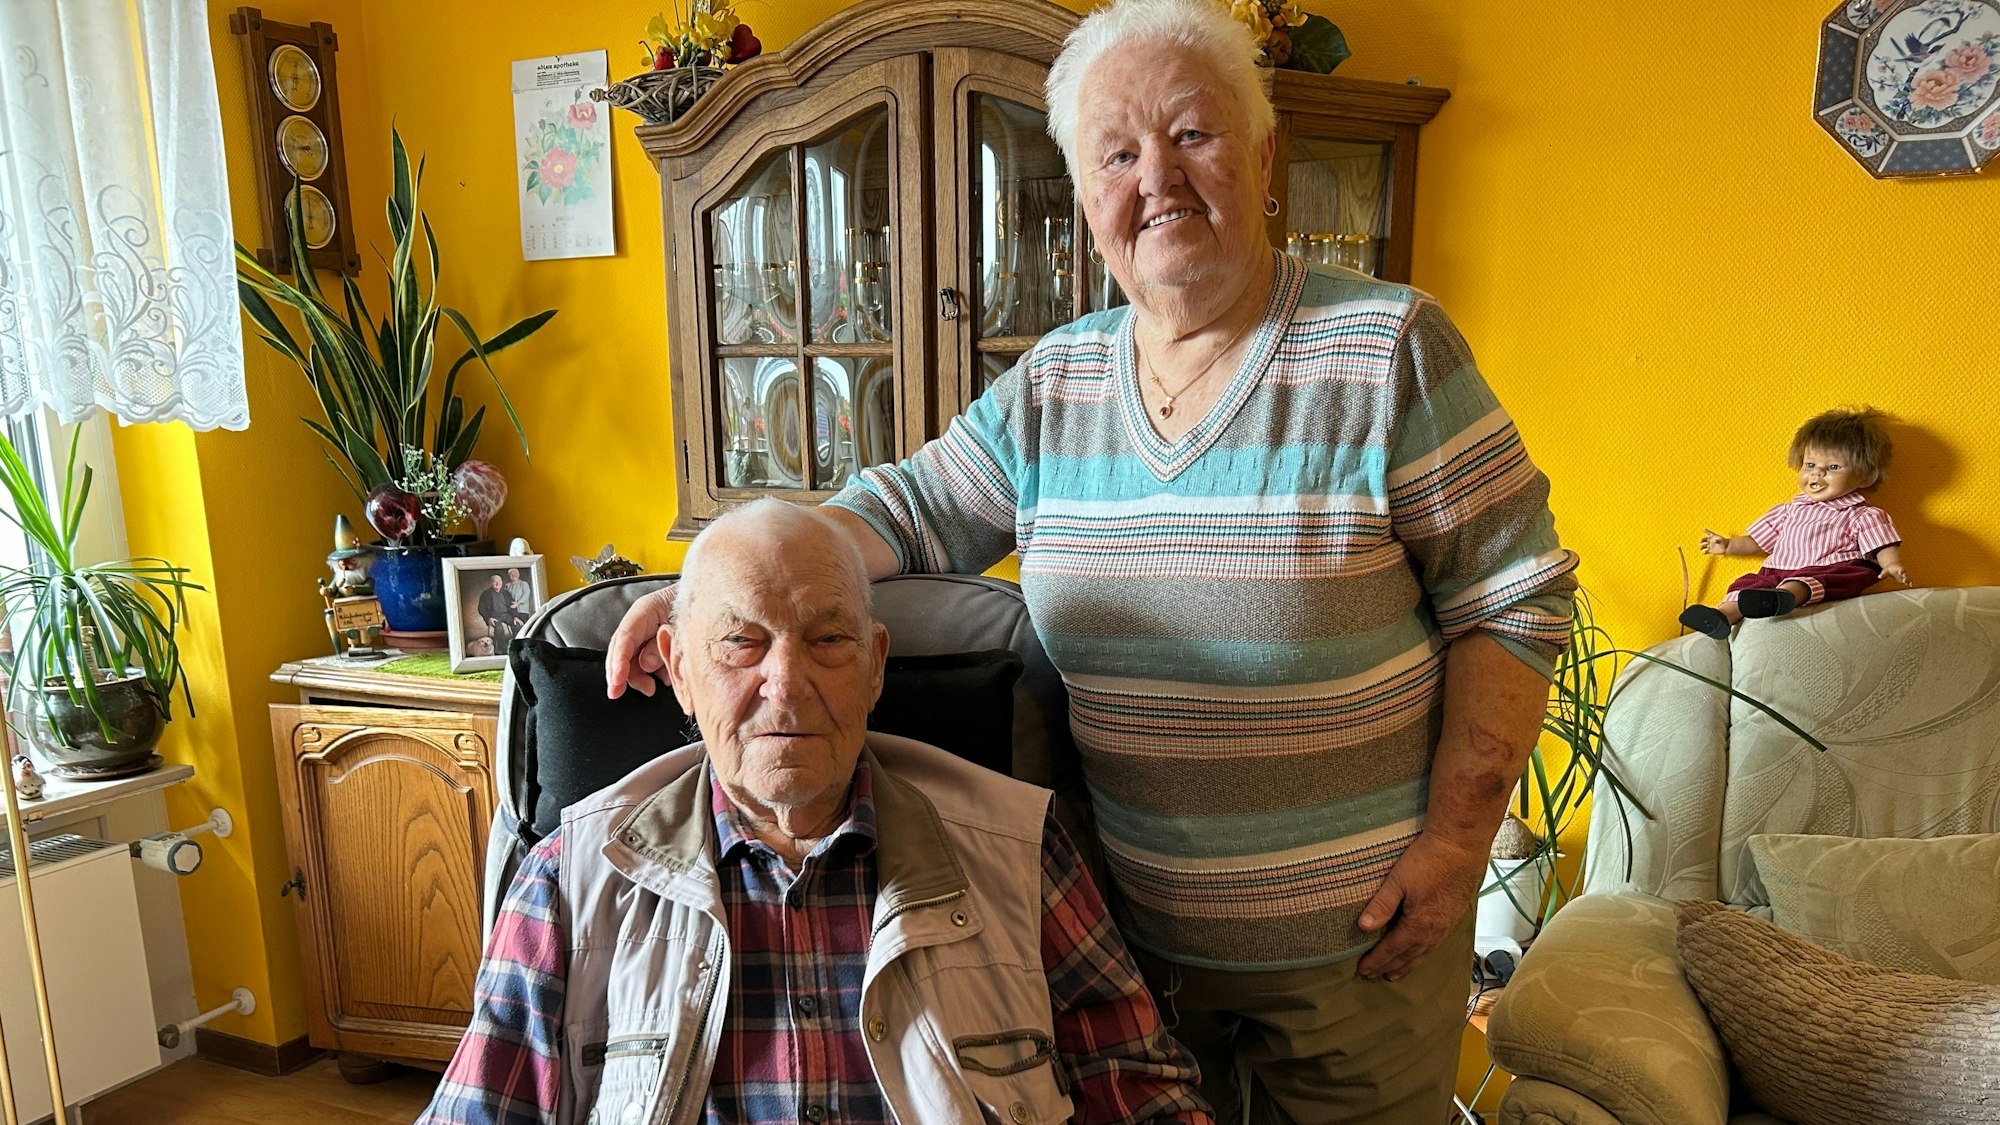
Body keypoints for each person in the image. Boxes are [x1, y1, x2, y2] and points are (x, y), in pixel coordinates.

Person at [609, 1, 1577, 1118]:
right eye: (1116, 152)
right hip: (1130, 959)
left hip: (1358, 951)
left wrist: (1458, 847)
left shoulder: (1388, 348)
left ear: (1262, 158)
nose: (1154, 176)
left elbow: (1509, 602)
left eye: (1191, 134)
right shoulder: (1057, 381)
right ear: (1084, 199)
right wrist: (713, 584)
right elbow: (906, 511)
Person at [422, 499, 1210, 1125]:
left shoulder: (1019, 853)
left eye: (828, 638)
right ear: (683, 675)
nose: (788, 683)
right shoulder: (567, 882)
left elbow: (1141, 1093)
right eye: (741, 641)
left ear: (874, 666)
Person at [1679, 406, 1908, 639]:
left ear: (1866, 476)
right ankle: (1721, 616)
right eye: (1810, 465)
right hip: (1778, 569)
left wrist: (1891, 564)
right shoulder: (1788, 511)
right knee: (1749, 585)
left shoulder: (1862, 515)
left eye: (1832, 468)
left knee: (1810, 581)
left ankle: (1784, 598)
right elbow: (1758, 542)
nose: (1817, 474)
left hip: (1831, 569)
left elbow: (1882, 544)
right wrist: (1729, 545)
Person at [475, 573, 513, 646]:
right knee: (499, 629)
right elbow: (481, 608)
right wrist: (488, 618)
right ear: (491, 583)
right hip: (494, 617)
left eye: (499, 581)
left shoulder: (506, 593)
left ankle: (517, 646)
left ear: (502, 582)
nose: (497, 583)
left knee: (517, 625)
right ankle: (502, 649)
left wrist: (515, 617)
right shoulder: (486, 594)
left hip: (506, 615)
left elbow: (512, 605)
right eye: (495, 581)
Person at [502, 566, 533, 631]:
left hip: (522, 610)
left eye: (515, 574)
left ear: (518, 575)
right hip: (512, 611)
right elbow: (504, 597)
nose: (513, 576)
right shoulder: (507, 586)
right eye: (511, 575)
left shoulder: (523, 584)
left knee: (523, 628)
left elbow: (526, 595)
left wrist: (518, 603)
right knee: (514, 627)